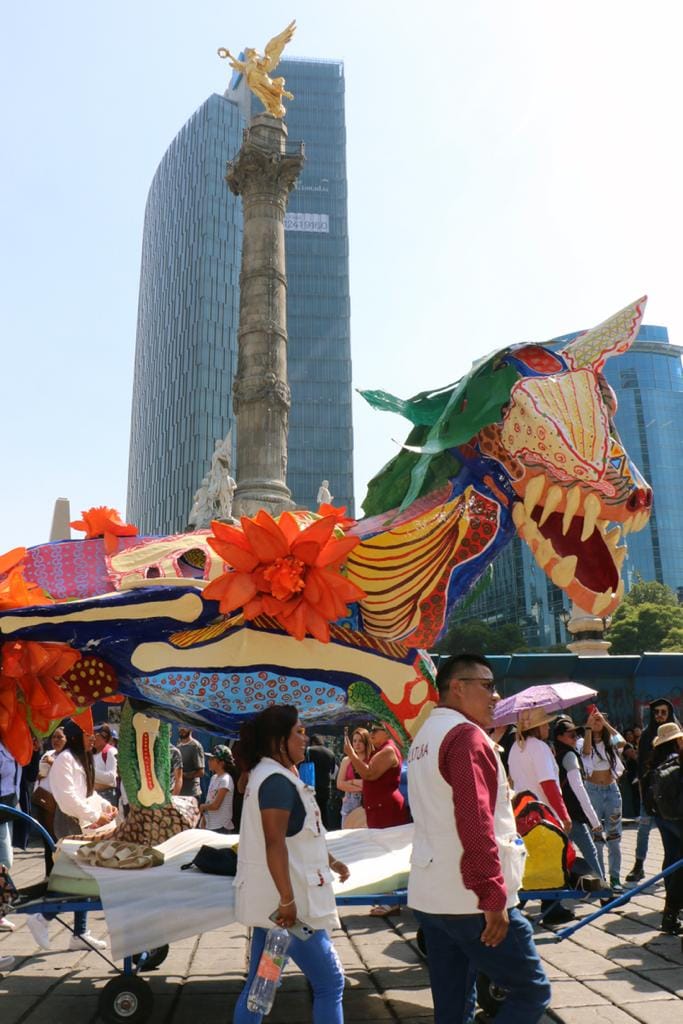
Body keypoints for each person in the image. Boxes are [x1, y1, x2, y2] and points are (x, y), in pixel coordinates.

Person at [407, 653, 551, 1024]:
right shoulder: (465, 737)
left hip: (431, 893)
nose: (496, 696)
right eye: (487, 686)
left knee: (453, 1003)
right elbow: (475, 821)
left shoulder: (424, 736)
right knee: (531, 992)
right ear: (457, 687)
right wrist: (491, 893)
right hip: (470, 899)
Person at [232, 705, 349, 1024]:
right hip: (292, 914)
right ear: (278, 741)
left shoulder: (275, 776)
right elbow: (275, 844)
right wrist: (287, 900)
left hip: (278, 912)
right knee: (330, 983)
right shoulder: (276, 782)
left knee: (261, 988)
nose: (305, 737)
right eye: (298, 731)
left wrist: (332, 860)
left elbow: (302, 834)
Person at [26, 721, 116, 952]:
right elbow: (68, 799)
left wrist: (105, 808)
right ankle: (42, 918)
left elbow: (88, 794)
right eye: (88, 735)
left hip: (82, 822)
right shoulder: (65, 760)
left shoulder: (81, 758)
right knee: (75, 878)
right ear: (76, 737)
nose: (92, 739)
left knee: (84, 878)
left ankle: (80, 933)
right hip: (68, 823)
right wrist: (97, 815)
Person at [507, 707, 573, 924]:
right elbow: (549, 784)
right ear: (536, 726)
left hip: (522, 811)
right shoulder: (539, 747)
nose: (547, 727)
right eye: (545, 724)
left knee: (529, 860)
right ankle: (550, 907)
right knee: (552, 859)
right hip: (544, 812)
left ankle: (534, 905)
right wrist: (563, 815)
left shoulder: (516, 748)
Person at [343, 720, 410, 917]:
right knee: (381, 852)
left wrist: (351, 755)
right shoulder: (382, 750)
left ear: (388, 732)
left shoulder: (389, 751)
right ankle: (388, 898)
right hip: (378, 808)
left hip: (386, 808)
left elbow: (369, 773)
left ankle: (392, 901)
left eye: (376, 730)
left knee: (386, 853)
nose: (371, 733)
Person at [627, 700, 679, 882]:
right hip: (652, 794)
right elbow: (642, 768)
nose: (659, 715)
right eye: (656, 712)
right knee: (644, 830)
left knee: (672, 847)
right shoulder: (648, 736)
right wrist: (644, 794)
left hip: (674, 800)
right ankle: (639, 865)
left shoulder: (676, 734)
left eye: (663, 712)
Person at [552, 717, 604, 881]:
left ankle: (557, 896)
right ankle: (603, 890)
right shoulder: (569, 756)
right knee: (590, 852)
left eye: (576, 735)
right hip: (572, 814)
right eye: (571, 735)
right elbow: (579, 789)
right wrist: (594, 820)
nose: (575, 738)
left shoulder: (555, 754)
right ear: (560, 737)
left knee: (560, 856)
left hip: (559, 812)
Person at [581, 709, 626, 892]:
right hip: (593, 791)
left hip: (612, 790)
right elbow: (585, 752)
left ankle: (615, 878)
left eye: (600, 719)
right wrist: (589, 728)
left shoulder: (611, 743)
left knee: (614, 836)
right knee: (597, 837)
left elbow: (622, 742)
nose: (598, 721)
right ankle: (601, 877)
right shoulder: (583, 741)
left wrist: (605, 723)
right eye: (595, 719)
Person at [649, 722, 683, 933]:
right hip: (676, 816)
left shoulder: (656, 762)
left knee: (674, 860)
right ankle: (670, 912)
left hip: (667, 816)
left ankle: (670, 912)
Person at [0, 740, 21, 933]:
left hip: (10, 807)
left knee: (6, 860)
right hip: (1, 806)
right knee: (4, 860)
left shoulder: (15, 746)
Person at [337, 727, 371, 827]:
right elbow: (339, 784)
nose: (357, 744)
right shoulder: (346, 760)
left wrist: (351, 782)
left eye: (361, 741)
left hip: (367, 802)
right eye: (355, 741)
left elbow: (370, 783)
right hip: (349, 802)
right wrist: (359, 786)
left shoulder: (372, 760)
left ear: (366, 742)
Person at [198, 746, 235, 833]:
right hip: (210, 825)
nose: (208, 762)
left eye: (212, 759)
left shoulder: (225, 779)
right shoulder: (214, 778)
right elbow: (209, 800)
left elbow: (215, 805)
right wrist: (204, 820)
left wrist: (203, 807)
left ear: (221, 763)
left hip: (221, 827)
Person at [306, 734, 337, 829]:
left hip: (311, 786)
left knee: (311, 811)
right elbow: (333, 773)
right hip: (326, 788)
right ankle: (325, 831)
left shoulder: (309, 750)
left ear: (312, 742)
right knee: (323, 811)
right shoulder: (330, 753)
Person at [93, 724, 118, 806]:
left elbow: (111, 778)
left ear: (104, 737)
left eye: (95, 735)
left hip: (107, 796)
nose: (92, 738)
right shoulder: (91, 753)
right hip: (93, 796)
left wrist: (90, 771)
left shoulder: (111, 751)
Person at [177, 727, 205, 799]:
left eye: (184, 726)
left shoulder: (196, 746)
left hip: (191, 794)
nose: (181, 728)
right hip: (179, 793)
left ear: (191, 728)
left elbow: (201, 772)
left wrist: (182, 775)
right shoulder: (178, 745)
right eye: (180, 726)